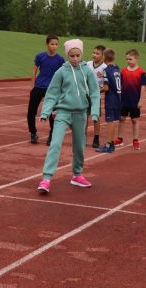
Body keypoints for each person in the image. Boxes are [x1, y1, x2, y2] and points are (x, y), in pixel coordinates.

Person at [37, 39, 100, 194]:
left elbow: (95, 92)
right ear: (67, 55)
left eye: (78, 55)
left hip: (80, 113)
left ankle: (77, 175)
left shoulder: (87, 71)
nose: (75, 59)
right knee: (55, 144)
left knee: (79, 146)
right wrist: (45, 112)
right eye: (72, 56)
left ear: (81, 54)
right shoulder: (61, 72)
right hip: (63, 112)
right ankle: (46, 178)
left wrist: (95, 112)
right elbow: (52, 93)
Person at [27, 35, 65, 145]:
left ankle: (52, 134)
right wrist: (32, 86)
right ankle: (33, 133)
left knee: (53, 113)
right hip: (38, 87)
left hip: (53, 90)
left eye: (56, 44)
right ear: (47, 44)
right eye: (52, 44)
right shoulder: (40, 56)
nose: (54, 46)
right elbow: (34, 71)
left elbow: (62, 75)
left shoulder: (60, 59)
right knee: (31, 112)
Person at [117, 48, 146, 150]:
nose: (128, 61)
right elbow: (120, 85)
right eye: (127, 59)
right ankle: (120, 139)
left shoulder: (141, 72)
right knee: (121, 118)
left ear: (136, 58)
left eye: (130, 59)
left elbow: (143, 86)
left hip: (134, 100)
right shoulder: (124, 71)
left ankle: (135, 140)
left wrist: (141, 100)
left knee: (134, 120)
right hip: (124, 99)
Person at [96, 48, 121, 153]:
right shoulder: (116, 68)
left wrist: (96, 92)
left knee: (110, 121)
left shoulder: (106, 70)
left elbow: (106, 88)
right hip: (118, 98)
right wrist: (103, 76)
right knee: (114, 121)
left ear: (104, 57)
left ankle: (108, 145)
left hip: (111, 98)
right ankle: (111, 143)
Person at [86, 44, 107, 148]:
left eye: (97, 53)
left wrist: (98, 91)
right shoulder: (87, 64)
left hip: (95, 96)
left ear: (103, 56)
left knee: (95, 117)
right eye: (93, 52)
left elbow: (106, 86)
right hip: (85, 94)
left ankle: (96, 137)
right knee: (84, 116)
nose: (94, 55)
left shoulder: (105, 68)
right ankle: (82, 136)